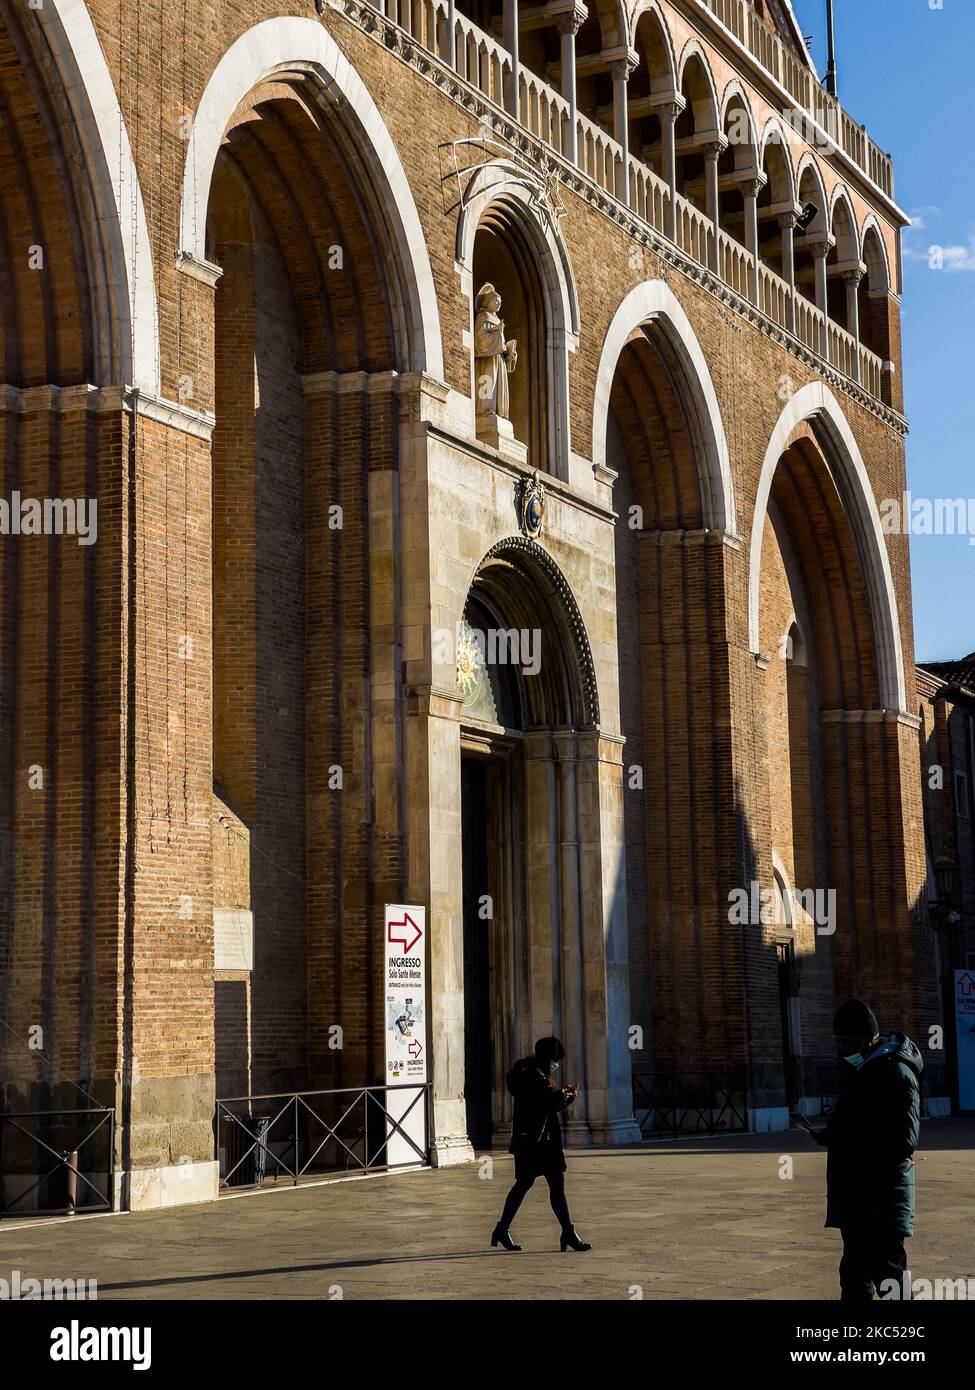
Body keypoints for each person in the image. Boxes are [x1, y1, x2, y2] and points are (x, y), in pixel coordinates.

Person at [808, 999, 923, 1301]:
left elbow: (904, 1139)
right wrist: (832, 1135)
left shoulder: (897, 1073)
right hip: (859, 1194)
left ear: (866, 1040)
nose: (840, 1050)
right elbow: (858, 1120)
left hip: (883, 1195)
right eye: (838, 1043)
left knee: (890, 1278)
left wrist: (851, 1143)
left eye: (846, 1044)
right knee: (854, 1276)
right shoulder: (866, 1070)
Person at [491, 1037, 591, 1252]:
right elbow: (546, 1103)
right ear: (549, 1057)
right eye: (555, 1060)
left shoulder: (529, 1072)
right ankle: (505, 1229)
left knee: (545, 1185)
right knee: (533, 1185)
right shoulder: (534, 1075)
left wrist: (563, 1095)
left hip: (534, 1139)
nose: (557, 1064)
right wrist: (567, 1096)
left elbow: (547, 1101)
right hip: (538, 1140)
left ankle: (566, 1232)